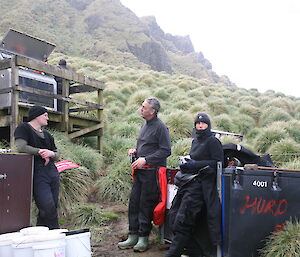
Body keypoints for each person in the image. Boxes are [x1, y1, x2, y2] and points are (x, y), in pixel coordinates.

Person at [117, 97, 171, 252]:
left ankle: (143, 238)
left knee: (145, 205)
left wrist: (146, 159)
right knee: (134, 203)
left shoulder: (161, 127)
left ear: (152, 111)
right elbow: (145, 145)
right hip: (140, 172)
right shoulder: (144, 125)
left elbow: (166, 150)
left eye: (144, 107)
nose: (141, 109)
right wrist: (135, 151)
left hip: (152, 173)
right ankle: (132, 235)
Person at [165, 113, 223, 257]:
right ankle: (194, 252)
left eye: (203, 123)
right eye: (197, 123)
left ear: (208, 125)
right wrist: (186, 165)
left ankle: (173, 254)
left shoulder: (212, 141)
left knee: (184, 221)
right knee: (174, 216)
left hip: (201, 186)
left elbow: (218, 163)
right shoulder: (195, 142)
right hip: (187, 183)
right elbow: (194, 161)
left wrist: (195, 164)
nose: (200, 126)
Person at [14, 106, 60, 229]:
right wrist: (40, 151)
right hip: (36, 172)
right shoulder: (24, 128)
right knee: (47, 206)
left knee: (52, 206)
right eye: (45, 115)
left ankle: (42, 235)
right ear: (37, 115)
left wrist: (51, 154)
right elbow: (21, 147)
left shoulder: (47, 134)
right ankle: (56, 233)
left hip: (52, 172)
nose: (47, 118)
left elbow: (57, 154)